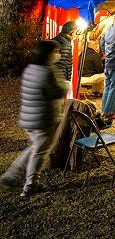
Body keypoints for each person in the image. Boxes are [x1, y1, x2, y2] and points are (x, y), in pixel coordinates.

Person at [0, 41, 68, 197]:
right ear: (48, 54)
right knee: (39, 152)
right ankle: (28, 185)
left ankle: (12, 176)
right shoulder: (49, 71)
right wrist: (66, 85)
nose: (58, 54)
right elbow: (57, 92)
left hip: (28, 117)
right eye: (56, 51)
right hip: (43, 119)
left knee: (35, 148)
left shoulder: (30, 69)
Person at [52, 21, 77, 94]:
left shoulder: (56, 39)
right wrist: (66, 80)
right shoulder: (66, 44)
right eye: (76, 32)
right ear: (72, 32)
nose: (77, 35)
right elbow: (60, 63)